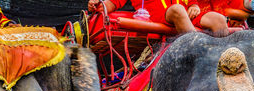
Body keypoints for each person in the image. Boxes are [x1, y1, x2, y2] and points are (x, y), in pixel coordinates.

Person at [88, 0, 229, 36]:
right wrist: (97, 5)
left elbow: (192, 2)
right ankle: (199, 53)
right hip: (159, 18)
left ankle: (223, 60)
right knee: (177, 10)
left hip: (187, 16)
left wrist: (194, 6)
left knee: (219, 19)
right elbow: (111, 4)